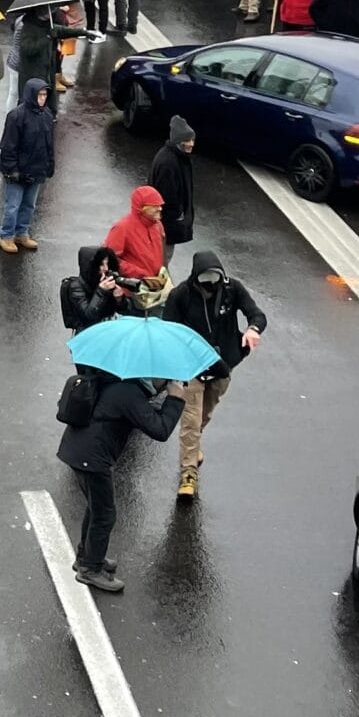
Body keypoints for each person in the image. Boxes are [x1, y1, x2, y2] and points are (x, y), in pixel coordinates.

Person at [57, 367, 184, 593]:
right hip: (91, 457)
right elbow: (160, 430)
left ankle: (87, 556)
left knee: (96, 508)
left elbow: (144, 415)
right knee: (105, 513)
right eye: (163, 382)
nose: (164, 386)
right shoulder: (129, 394)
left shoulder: (121, 383)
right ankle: (90, 570)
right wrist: (174, 400)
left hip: (78, 450)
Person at [157, 250, 267, 501]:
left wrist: (252, 329)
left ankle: (193, 445)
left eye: (215, 280)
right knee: (191, 420)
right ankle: (188, 473)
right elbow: (169, 331)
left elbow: (257, 314)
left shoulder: (233, 290)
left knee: (204, 415)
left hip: (222, 366)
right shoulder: (180, 296)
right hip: (191, 368)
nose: (211, 285)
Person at [0, 79, 56, 252]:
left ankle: (22, 233)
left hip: (37, 170)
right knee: (12, 206)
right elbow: (9, 145)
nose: (43, 98)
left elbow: (49, 143)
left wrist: (50, 164)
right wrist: (11, 170)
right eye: (40, 95)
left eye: (45, 95)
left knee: (29, 205)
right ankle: (6, 236)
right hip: (19, 171)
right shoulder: (16, 115)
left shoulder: (47, 115)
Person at [146, 116, 198, 271]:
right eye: (187, 140)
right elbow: (168, 199)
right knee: (162, 260)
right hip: (166, 225)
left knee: (163, 258)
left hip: (167, 223)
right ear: (178, 141)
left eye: (192, 140)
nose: (191, 144)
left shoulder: (173, 157)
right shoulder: (169, 164)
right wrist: (178, 216)